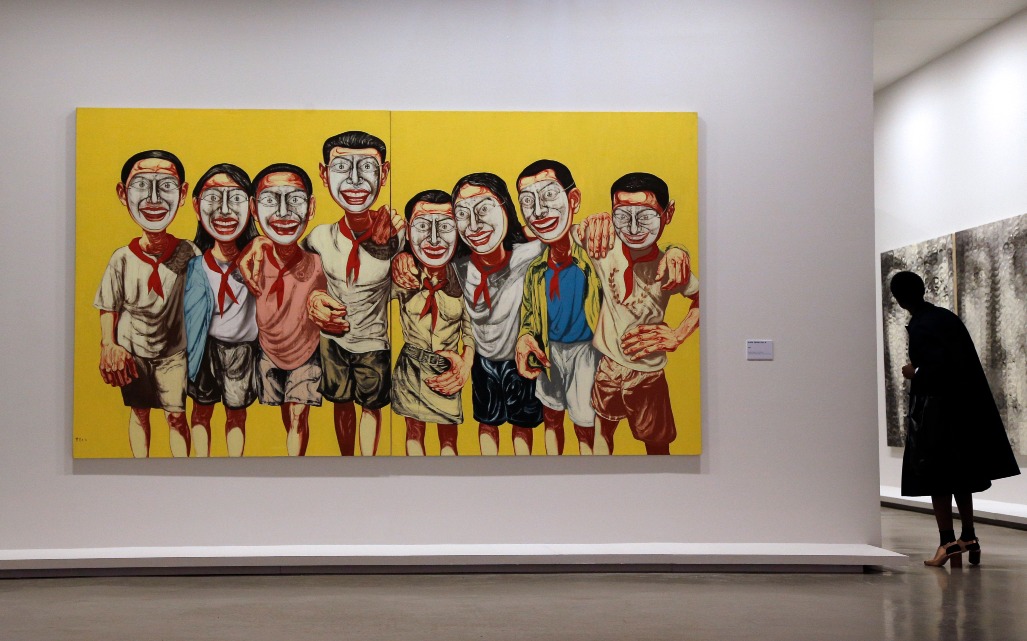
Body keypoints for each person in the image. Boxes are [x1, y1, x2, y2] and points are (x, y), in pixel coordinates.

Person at [241, 131, 405, 456]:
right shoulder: (318, 237)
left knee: (371, 408)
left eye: (367, 167)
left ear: (384, 173)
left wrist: (404, 256)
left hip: (374, 343)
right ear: (325, 174)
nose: (355, 180)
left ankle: (367, 463)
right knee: (340, 405)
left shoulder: (398, 235)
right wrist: (259, 240)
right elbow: (292, 260)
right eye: (342, 167)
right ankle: (347, 460)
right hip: (331, 344)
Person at [890, 270, 1019, 567]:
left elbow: (939, 368)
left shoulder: (922, 325)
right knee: (960, 475)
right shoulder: (945, 318)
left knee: (936, 477)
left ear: (899, 299)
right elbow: (959, 364)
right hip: (962, 412)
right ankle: (969, 537)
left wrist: (915, 372)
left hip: (936, 414)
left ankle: (947, 543)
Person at [95, 150, 199, 457]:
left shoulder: (189, 252)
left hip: (173, 354)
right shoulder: (121, 259)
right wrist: (109, 344)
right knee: (139, 412)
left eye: (166, 186)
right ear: (122, 193)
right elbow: (108, 306)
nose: (154, 198)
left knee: (176, 416)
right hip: (133, 352)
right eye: (141, 185)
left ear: (182, 194)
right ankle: (140, 468)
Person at [587, 172, 700, 455]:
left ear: (668, 213)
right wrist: (593, 221)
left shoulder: (669, 265)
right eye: (622, 215)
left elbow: (705, 298)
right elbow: (556, 231)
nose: (634, 227)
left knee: (657, 444)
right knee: (602, 432)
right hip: (608, 366)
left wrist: (678, 334)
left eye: (646, 215)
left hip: (647, 374)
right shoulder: (603, 246)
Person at [512, 160, 603, 455]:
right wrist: (526, 336)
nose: (539, 211)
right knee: (551, 416)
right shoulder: (535, 268)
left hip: (585, 352)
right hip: (549, 352)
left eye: (549, 195)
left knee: (585, 423)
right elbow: (529, 314)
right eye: (528, 202)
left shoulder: (593, 253)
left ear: (573, 199)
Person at [183, 163, 261, 457]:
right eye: (213, 198)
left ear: (251, 206)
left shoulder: (258, 259)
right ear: (196, 205)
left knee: (236, 414)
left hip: (242, 350)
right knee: (200, 411)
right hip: (203, 348)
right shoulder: (193, 264)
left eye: (235, 198)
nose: (224, 209)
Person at [249, 163, 328, 456]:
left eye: (295, 200)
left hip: (306, 353)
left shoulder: (318, 262)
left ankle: (296, 464)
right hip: (268, 352)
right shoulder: (250, 261)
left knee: (298, 414)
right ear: (253, 208)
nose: (283, 212)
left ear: (311, 207)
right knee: (285, 410)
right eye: (271, 200)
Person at [391, 190, 474, 455]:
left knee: (448, 438)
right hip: (411, 366)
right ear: (408, 230)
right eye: (423, 226)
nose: (434, 238)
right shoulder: (404, 274)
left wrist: (466, 362)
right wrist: (396, 255)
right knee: (413, 433)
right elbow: (370, 293)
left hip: (446, 367)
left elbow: (470, 329)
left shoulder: (464, 278)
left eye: (446, 226)